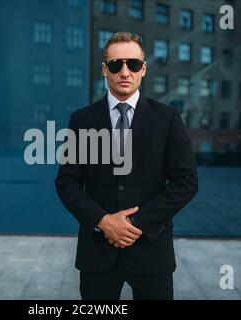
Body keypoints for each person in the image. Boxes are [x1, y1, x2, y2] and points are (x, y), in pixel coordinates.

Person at [55, 32, 198, 300]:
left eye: (132, 64)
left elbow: (186, 182)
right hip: (97, 253)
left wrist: (135, 223)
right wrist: (103, 221)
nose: (124, 71)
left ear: (143, 69)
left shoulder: (168, 119)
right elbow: (67, 182)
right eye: (115, 64)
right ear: (104, 70)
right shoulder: (82, 120)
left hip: (152, 251)